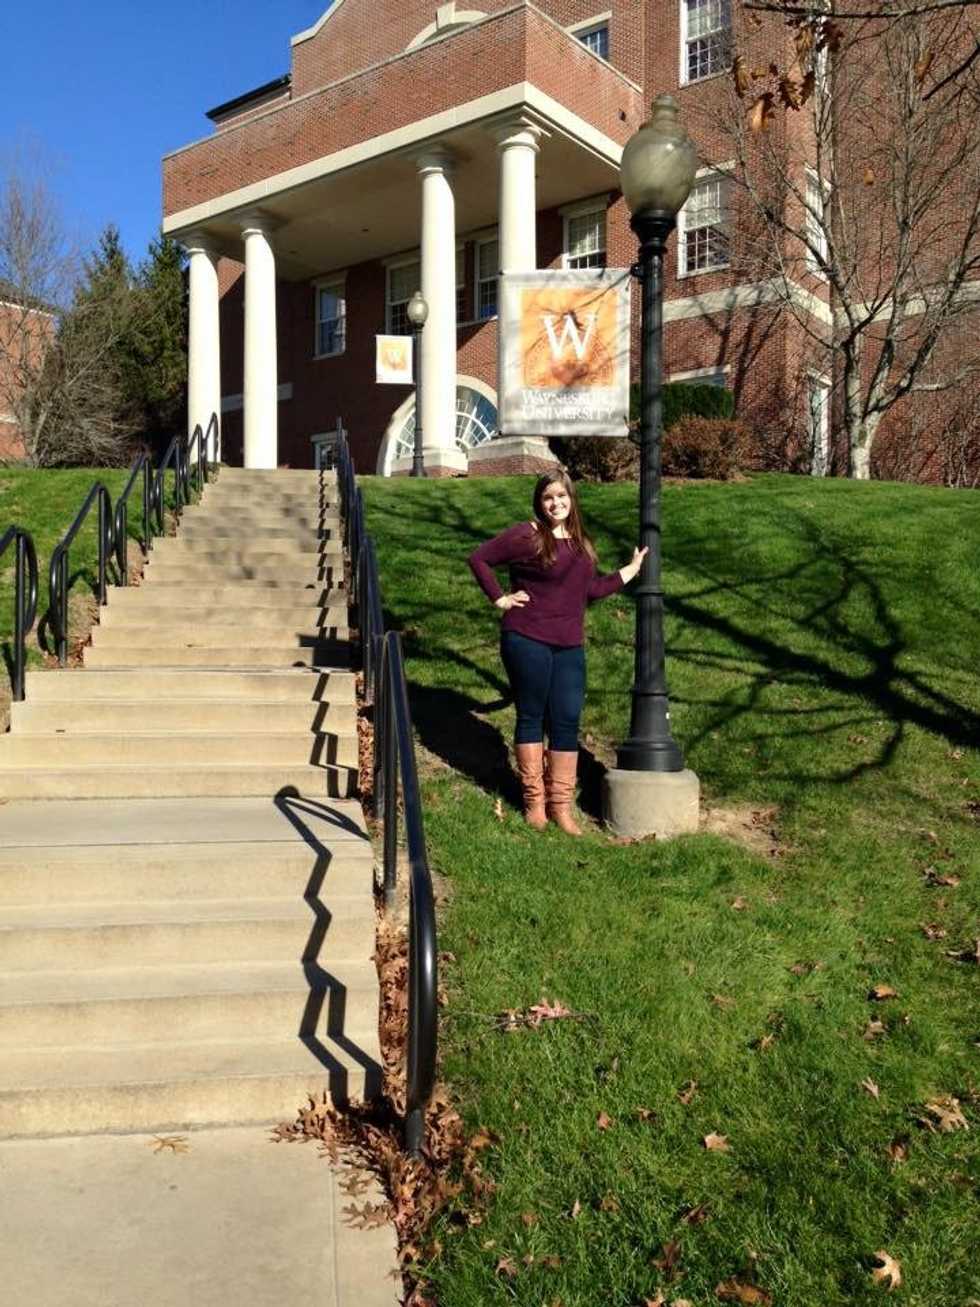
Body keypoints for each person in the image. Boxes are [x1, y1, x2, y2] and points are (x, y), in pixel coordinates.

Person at [468, 472, 647, 835]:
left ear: (571, 499)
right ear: (540, 501)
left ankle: (560, 806)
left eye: (562, 496)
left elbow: (588, 591)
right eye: (548, 497)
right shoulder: (526, 535)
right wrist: (500, 599)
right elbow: (479, 558)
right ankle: (535, 803)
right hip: (526, 638)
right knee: (531, 716)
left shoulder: (581, 543)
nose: (556, 503)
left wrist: (628, 572)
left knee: (566, 720)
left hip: (569, 645)